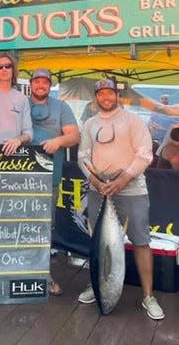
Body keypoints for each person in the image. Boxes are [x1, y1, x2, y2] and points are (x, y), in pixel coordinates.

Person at [77, 78, 164, 320]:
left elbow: (145, 153)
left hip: (132, 188)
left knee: (141, 240)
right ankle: (97, 285)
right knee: (98, 242)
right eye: (101, 94)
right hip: (99, 190)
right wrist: (94, 180)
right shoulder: (90, 124)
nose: (106, 98)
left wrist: (123, 179)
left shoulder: (134, 121)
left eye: (110, 93)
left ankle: (148, 296)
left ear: (117, 95)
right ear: (96, 97)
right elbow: (83, 155)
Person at [29, 69, 80, 296]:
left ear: (50, 85)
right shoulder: (20, 104)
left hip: (49, 178)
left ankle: (42, 274)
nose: (41, 85)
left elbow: (74, 136)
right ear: (30, 84)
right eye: (37, 81)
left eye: (45, 82)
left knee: (44, 226)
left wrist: (59, 140)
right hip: (15, 177)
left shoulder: (62, 107)